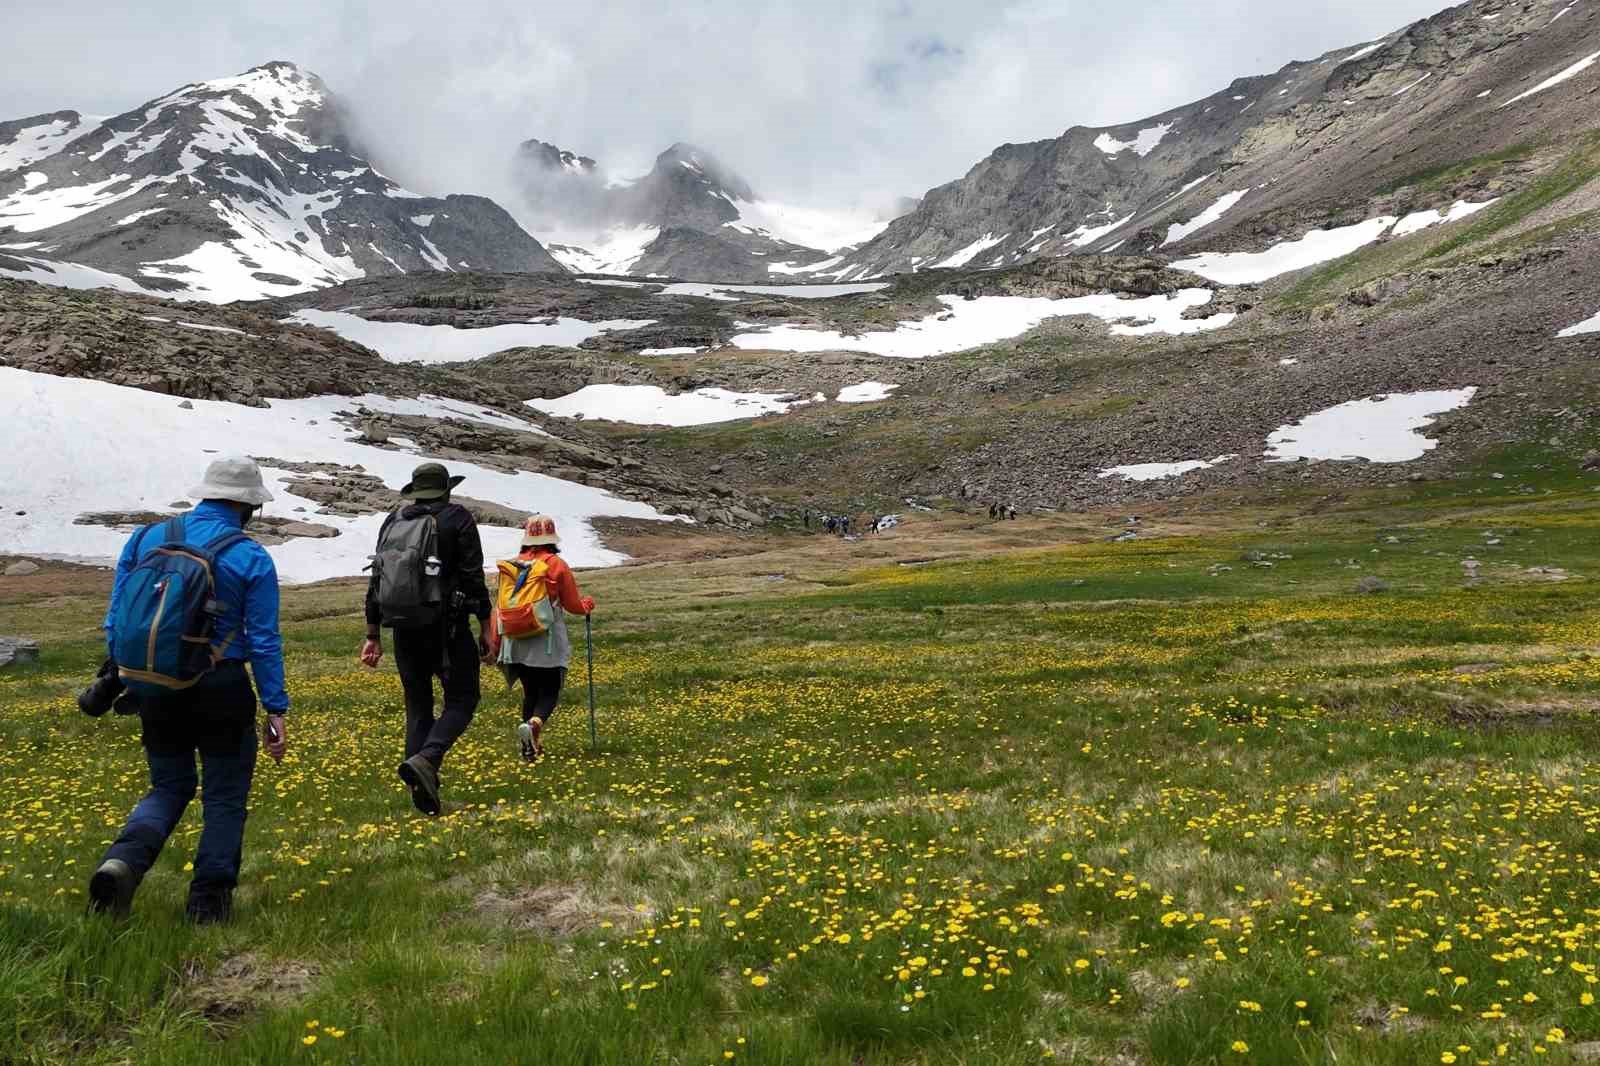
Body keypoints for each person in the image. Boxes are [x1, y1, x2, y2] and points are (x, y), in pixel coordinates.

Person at [88, 457, 289, 924]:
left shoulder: (145, 538)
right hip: (221, 684)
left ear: (205, 493)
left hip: (155, 684)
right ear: (248, 505)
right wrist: (276, 707)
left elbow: (116, 617)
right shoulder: (250, 556)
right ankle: (207, 905)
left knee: (169, 784)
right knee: (224, 794)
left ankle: (123, 862)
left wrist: (125, 674)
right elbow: (263, 639)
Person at [360, 463, 490, 817]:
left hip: (403, 627)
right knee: (463, 698)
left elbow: (377, 578)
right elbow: (472, 576)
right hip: (446, 627)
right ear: (446, 490)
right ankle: (427, 759)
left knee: (418, 706)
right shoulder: (457, 518)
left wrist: (373, 634)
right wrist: (486, 623)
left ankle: (423, 790)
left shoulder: (394, 521)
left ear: (415, 491)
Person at [493, 516, 595, 761]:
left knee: (530, 691)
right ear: (552, 539)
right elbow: (572, 605)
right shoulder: (556, 564)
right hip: (545, 637)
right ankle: (535, 725)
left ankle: (529, 747)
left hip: (516, 636)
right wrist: (587, 605)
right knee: (549, 690)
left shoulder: (513, 565)